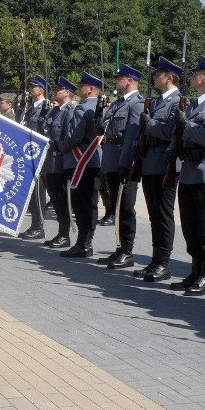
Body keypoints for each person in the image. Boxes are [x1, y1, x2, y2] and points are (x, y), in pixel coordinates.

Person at [166, 56, 205, 297]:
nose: (191, 77)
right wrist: (173, 147)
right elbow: (180, 134)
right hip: (189, 172)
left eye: (196, 73)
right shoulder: (190, 105)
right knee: (190, 228)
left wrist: (187, 125)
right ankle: (194, 271)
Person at [133, 57, 182, 282]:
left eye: (158, 73)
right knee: (154, 215)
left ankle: (164, 262)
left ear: (169, 77)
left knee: (163, 214)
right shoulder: (157, 101)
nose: (154, 77)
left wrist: (149, 124)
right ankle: (155, 259)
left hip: (164, 162)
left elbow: (171, 132)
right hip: (150, 161)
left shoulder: (177, 101)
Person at [102, 63, 146, 269]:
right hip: (111, 159)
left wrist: (126, 162)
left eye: (119, 78)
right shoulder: (117, 104)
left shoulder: (137, 103)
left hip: (124, 160)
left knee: (126, 207)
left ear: (129, 81)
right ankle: (119, 247)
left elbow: (132, 136)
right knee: (116, 207)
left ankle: (127, 250)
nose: (115, 81)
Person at [56, 72, 103, 258]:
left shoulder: (82, 109)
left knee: (80, 203)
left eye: (82, 85)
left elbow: (74, 137)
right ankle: (87, 241)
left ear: (91, 89)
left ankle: (82, 243)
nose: (79, 88)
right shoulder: (102, 108)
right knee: (90, 202)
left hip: (79, 161)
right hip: (95, 160)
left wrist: (59, 146)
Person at [43, 77, 76, 248]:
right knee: (54, 196)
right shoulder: (54, 111)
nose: (55, 92)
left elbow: (68, 137)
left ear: (67, 93)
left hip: (61, 160)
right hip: (50, 160)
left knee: (61, 197)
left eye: (58, 90)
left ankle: (65, 233)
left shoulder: (69, 111)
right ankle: (61, 232)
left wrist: (58, 146)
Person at [20, 76, 50, 240]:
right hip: (28, 154)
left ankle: (39, 226)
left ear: (41, 90)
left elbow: (44, 131)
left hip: (38, 156)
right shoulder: (31, 108)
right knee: (31, 193)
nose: (31, 89)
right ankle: (34, 224)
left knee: (38, 192)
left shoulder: (46, 108)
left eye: (34, 87)